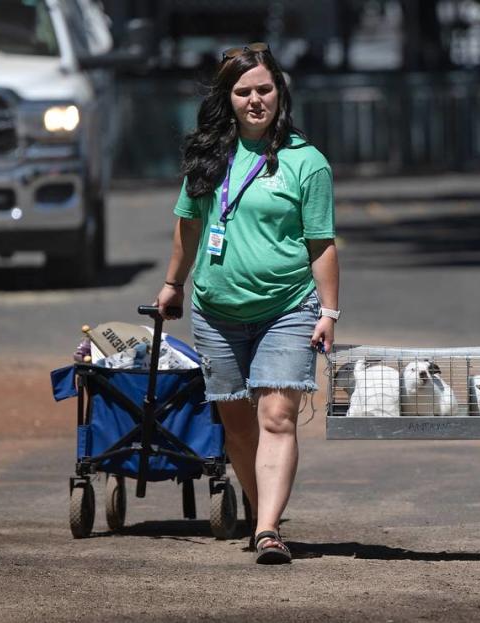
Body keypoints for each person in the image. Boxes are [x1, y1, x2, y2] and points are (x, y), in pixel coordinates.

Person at [154, 43, 339, 565]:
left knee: (277, 415)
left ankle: (267, 531)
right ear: (227, 98)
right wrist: (174, 284)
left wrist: (328, 312)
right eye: (243, 92)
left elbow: (321, 243)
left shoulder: (307, 163)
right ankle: (266, 517)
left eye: (264, 89)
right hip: (216, 311)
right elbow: (188, 226)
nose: (255, 100)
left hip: (288, 308)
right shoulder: (208, 155)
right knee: (237, 423)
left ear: (280, 92)